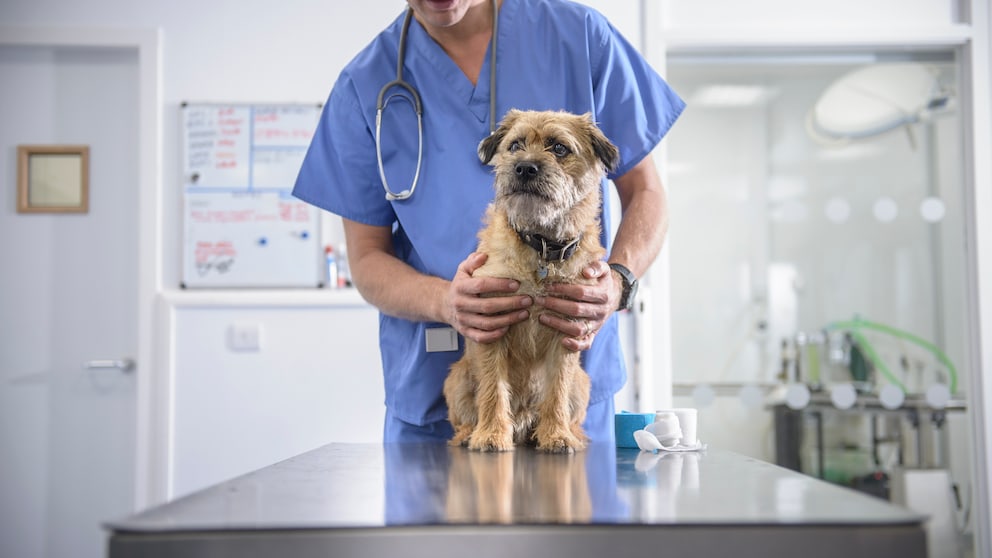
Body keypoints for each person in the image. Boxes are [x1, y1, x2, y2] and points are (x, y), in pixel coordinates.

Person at [293, 0, 684, 444]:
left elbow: (647, 193)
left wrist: (617, 282)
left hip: (567, 389)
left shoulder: (579, 36)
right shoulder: (364, 84)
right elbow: (365, 257)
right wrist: (446, 302)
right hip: (438, 397)